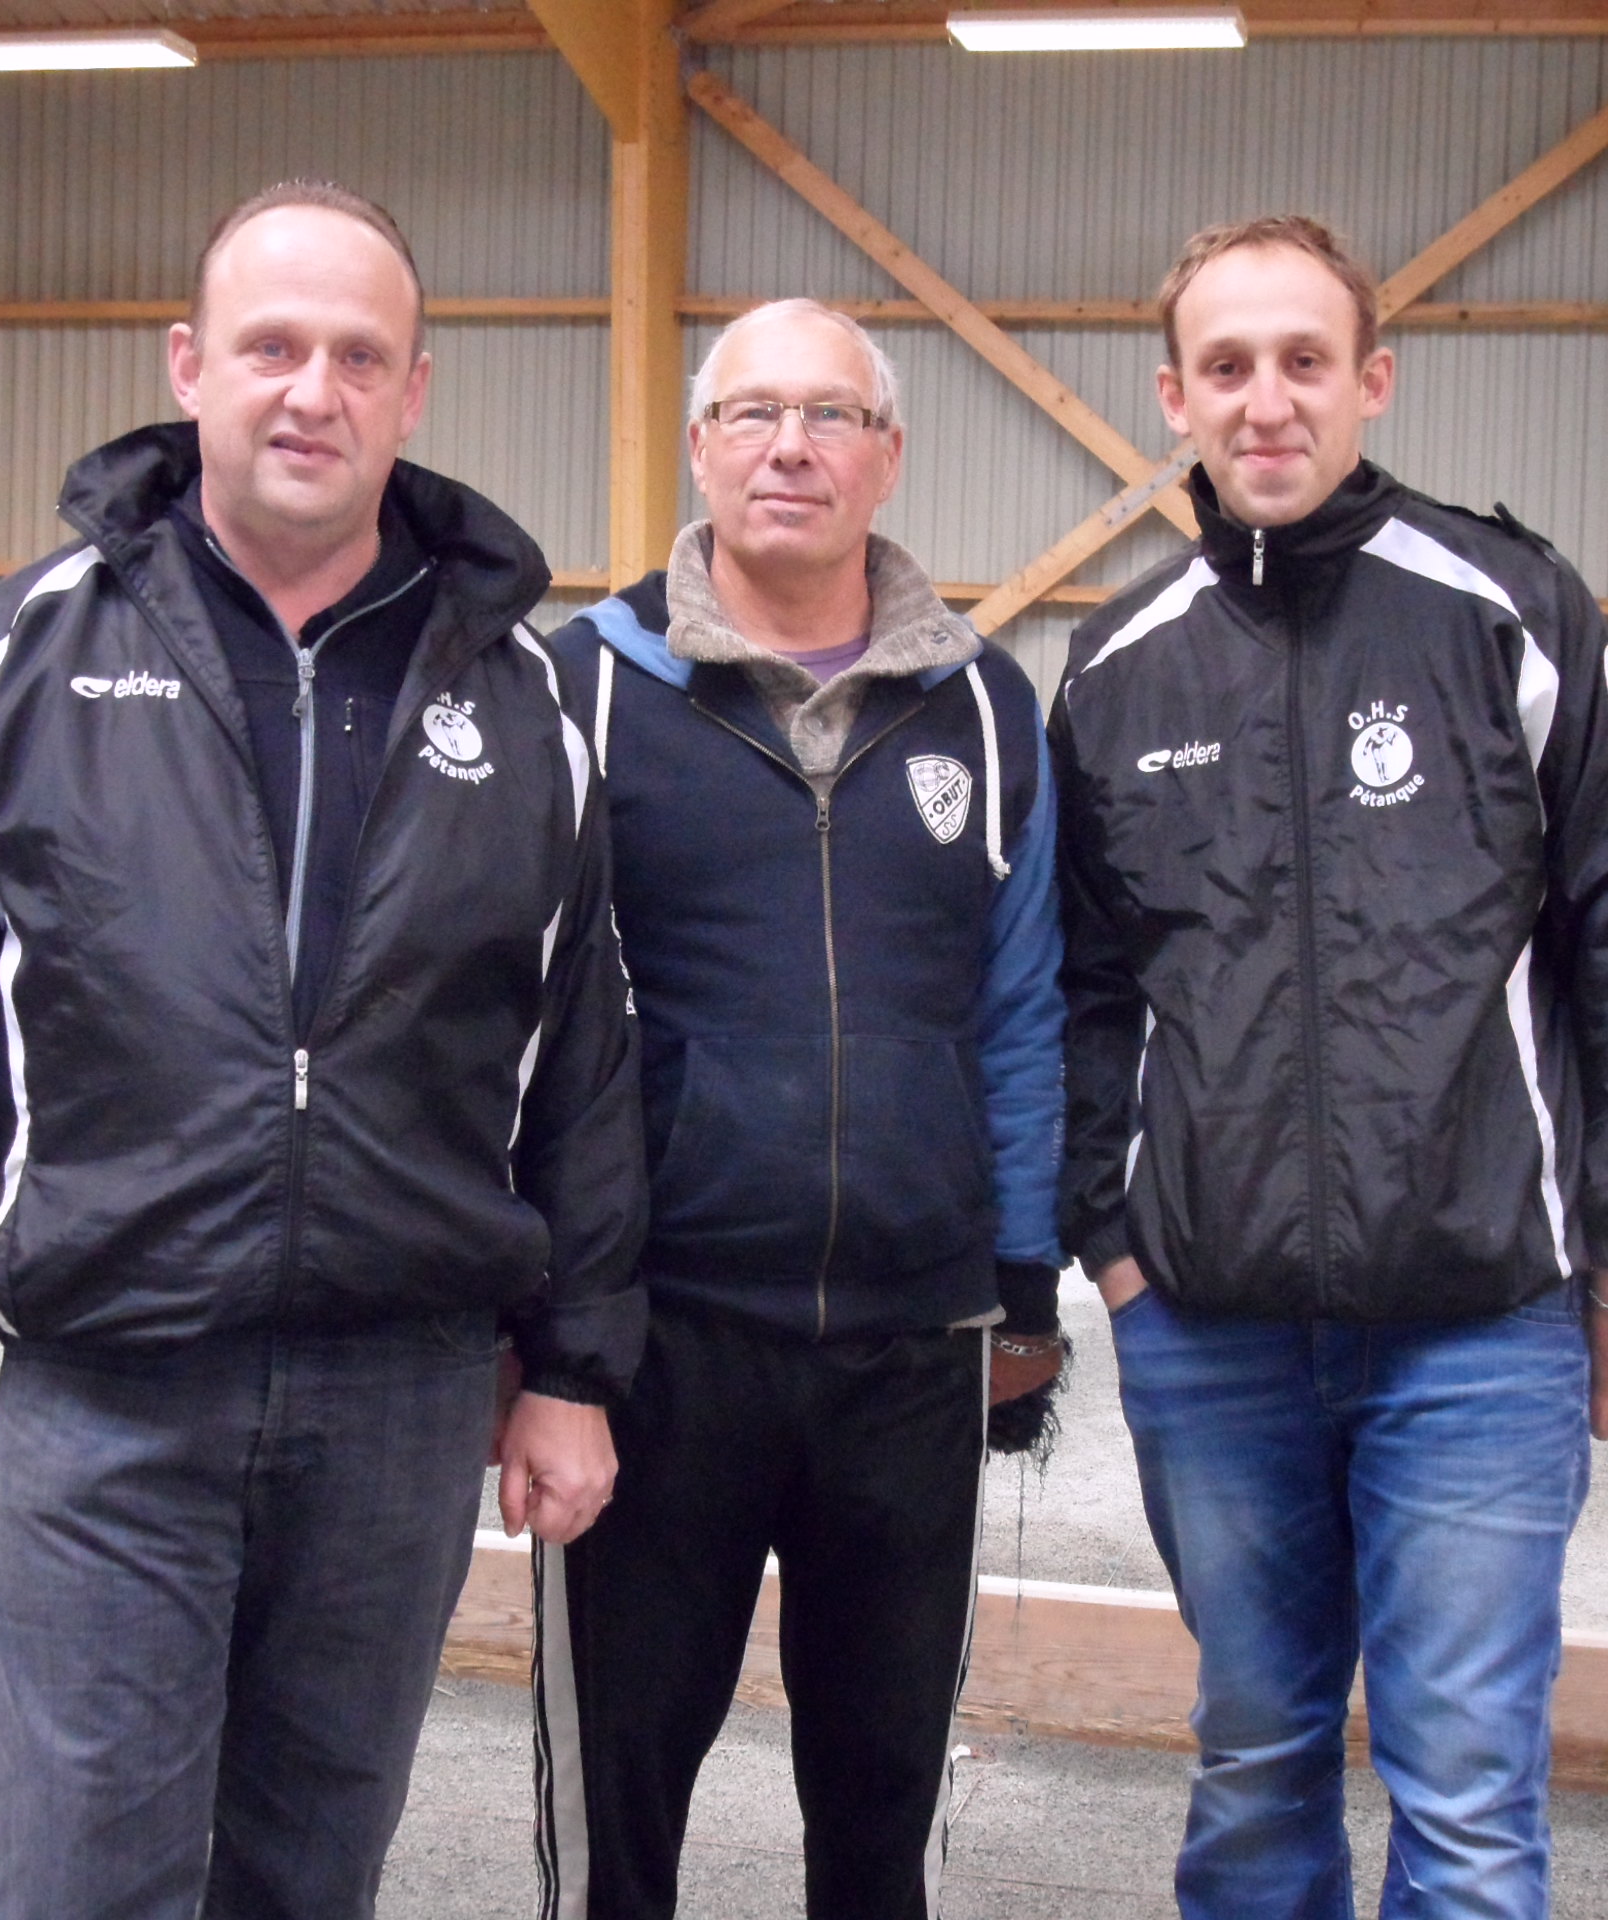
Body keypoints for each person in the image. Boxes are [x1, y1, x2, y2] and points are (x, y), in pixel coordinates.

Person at [0, 180, 646, 1920]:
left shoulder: (522, 704)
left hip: (401, 1401)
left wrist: (572, 1361)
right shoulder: (23, 660)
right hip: (112, 1389)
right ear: (191, 367)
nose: (314, 391)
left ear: (414, 393)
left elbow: (573, 1051)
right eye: (273, 347)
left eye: (359, 355)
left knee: (309, 1883)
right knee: (84, 1884)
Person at [1049, 215, 1608, 1919]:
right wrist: (1112, 1251)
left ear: (1371, 382)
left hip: (1481, 1327)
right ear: (1174, 397)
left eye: (1303, 361)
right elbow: (1079, 982)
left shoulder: (1514, 609)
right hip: (1213, 1334)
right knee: (1256, 1771)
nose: (1267, 402)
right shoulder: (1114, 668)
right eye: (1228, 367)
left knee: (1469, 1804)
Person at [535, 298, 1067, 1920]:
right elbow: (522, 1026)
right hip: (661, 1346)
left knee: (882, 1806)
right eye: (752, 412)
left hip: (913, 1352)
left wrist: (1025, 1288)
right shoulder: (582, 691)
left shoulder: (984, 709)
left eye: (831, 415)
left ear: (888, 456)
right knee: (623, 1796)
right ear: (700, 446)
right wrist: (548, 1328)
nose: (791, 446)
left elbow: (1025, 1007)